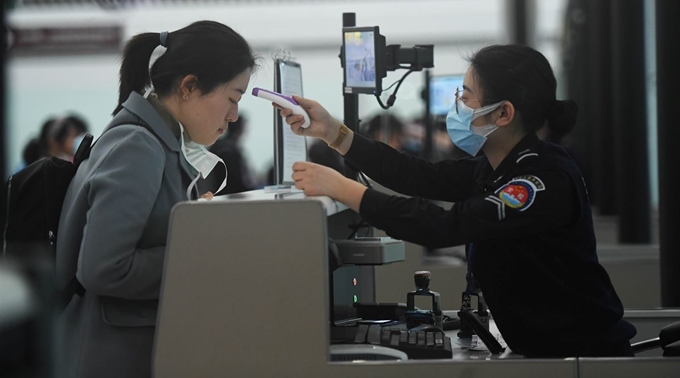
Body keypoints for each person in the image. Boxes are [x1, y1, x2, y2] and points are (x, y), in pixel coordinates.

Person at [280, 44, 636, 358]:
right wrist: (333, 133)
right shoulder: (496, 167)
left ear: (503, 113)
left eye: (466, 97)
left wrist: (344, 189)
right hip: (547, 351)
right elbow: (419, 176)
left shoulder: (539, 181)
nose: (458, 106)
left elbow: (444, 226)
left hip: (581, 358)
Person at [55, 20, 257, 378]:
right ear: (189, 87)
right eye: (232, 98)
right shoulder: (138, 147)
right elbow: (104, 268)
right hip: (113, 357)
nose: (233, 115)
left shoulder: (150, 141)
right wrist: (198, 251)